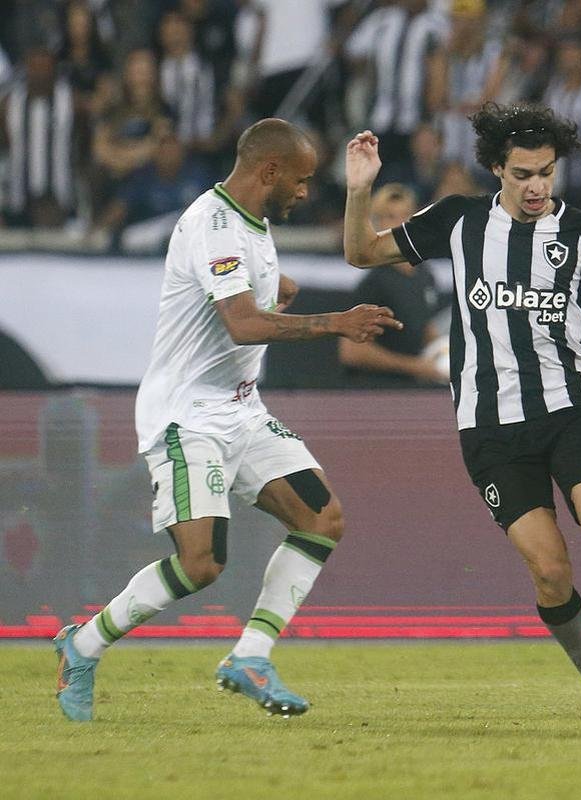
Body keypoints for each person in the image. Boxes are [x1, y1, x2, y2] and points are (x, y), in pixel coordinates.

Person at [342, 101, 581, 695]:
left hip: (567, 409)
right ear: (496, 171)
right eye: (522, 175)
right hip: (489, 428)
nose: (536, 187)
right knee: (550, 569)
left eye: (546, 173)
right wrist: (360, 190)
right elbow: (361, 252)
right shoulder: (458, 220)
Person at [52, 118, 402, 722]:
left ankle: (251, 657)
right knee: (202, 564)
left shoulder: (251, 222)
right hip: (186, 418)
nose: (304, 191)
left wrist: (276, 283)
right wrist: (333, 321)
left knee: (322, 519)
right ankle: (81, 646)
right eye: (300, 180)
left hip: (240, 410)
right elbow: (242, 324)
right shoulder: (213, 224)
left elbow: (244, 296)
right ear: (269, 170)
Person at [339, 183, 449, 386]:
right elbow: (352, 351)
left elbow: (421, 323)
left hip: (411, 391)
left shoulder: (425, 275)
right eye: (390, 216)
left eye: (405, 215)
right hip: (374, 389)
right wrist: (414, 366)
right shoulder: (374, 283)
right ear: (377, 223)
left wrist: (445, 350)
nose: (399, 223)